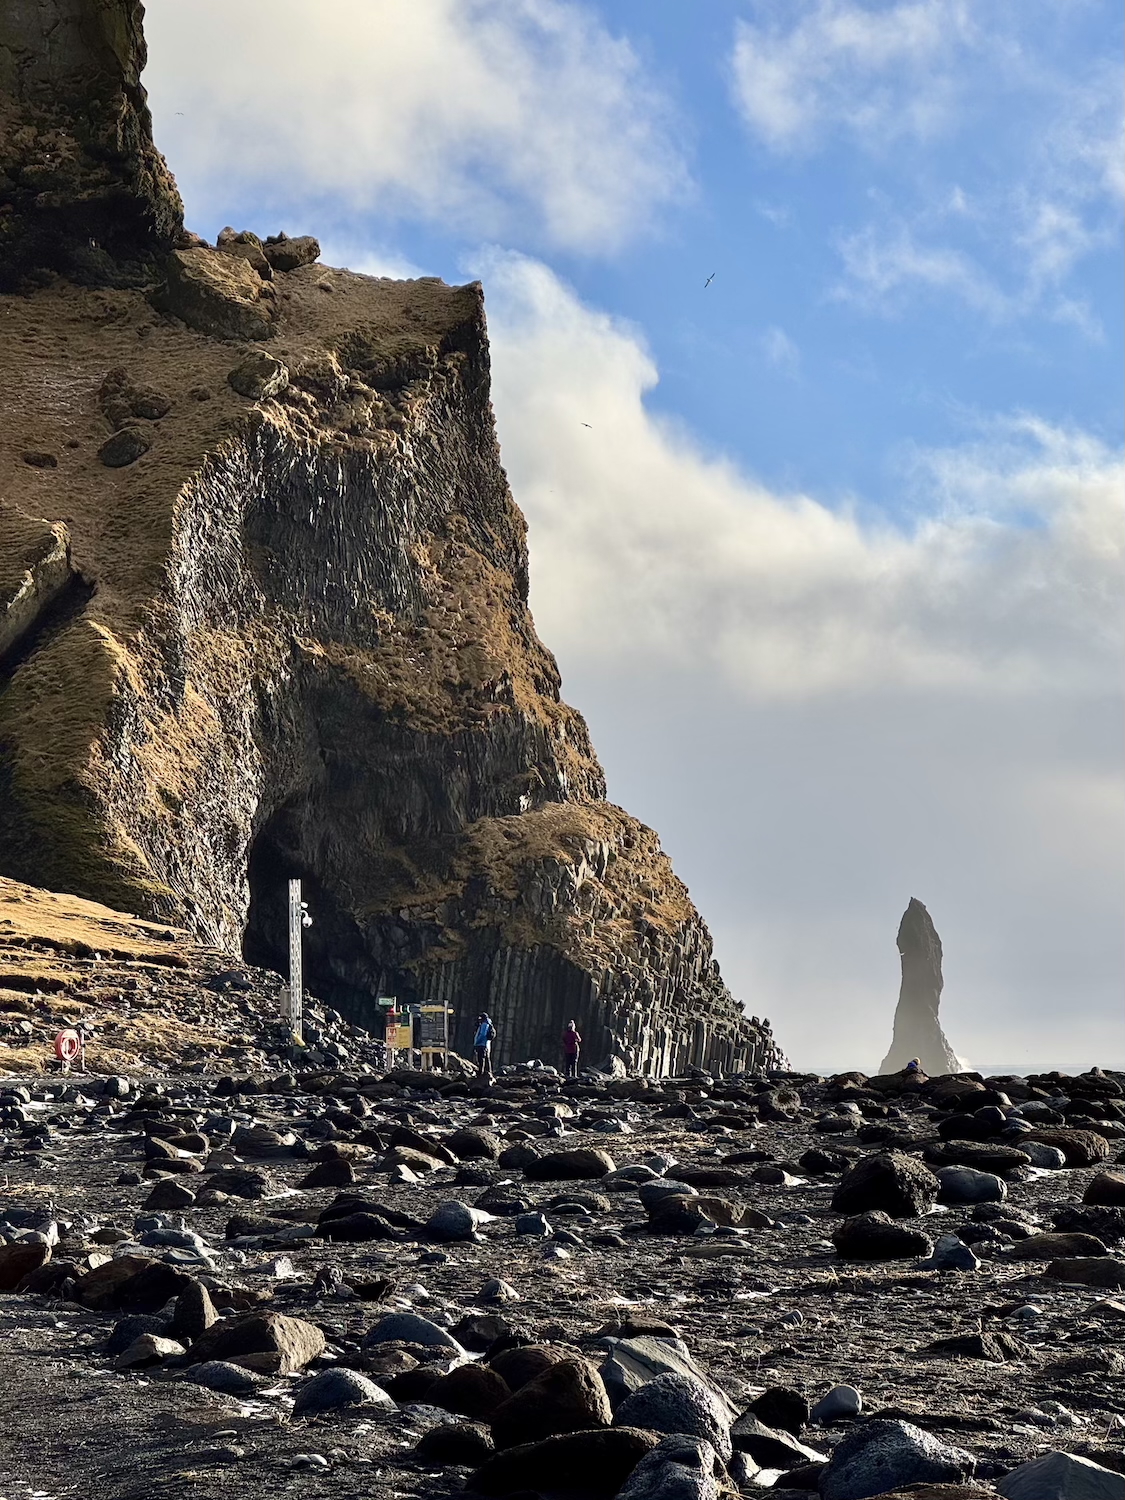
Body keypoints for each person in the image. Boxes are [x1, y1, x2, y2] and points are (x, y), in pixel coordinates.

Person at [473, 1013, 496, 1079]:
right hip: (485, 1045)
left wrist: (477, 1042)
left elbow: (482, 1034)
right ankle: (488, 1072)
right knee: (486, 1059)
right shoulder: (488, 1024)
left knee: (481, 1059)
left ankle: (481, 1073)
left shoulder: (484, 1024)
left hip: (481, 1044)